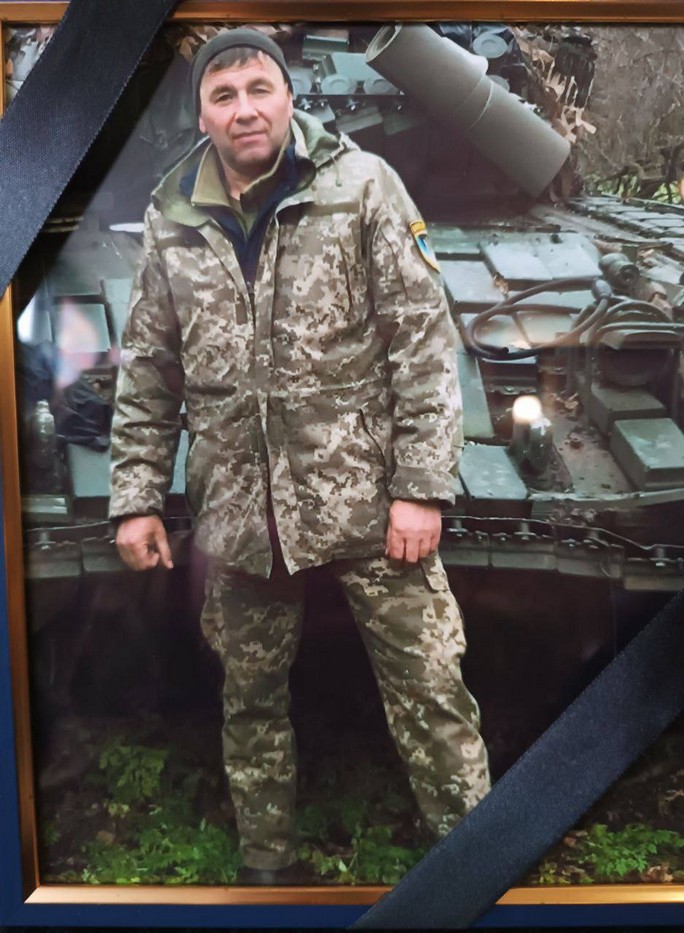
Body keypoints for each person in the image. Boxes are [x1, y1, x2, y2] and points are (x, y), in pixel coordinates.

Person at [109, 28, 490, 884]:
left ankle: (475, 865)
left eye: (259, 89)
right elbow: (151, 368)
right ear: (202, 114)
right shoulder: (173, 216)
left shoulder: (362, 186)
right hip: (239, 509)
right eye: (223, 95)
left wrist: (421, 487)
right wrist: (136, 496)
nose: (244, 109)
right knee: (249, 703)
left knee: (431, 690)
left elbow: (422, 343)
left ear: (288, 97)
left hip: (366, 496)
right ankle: (268, 872)